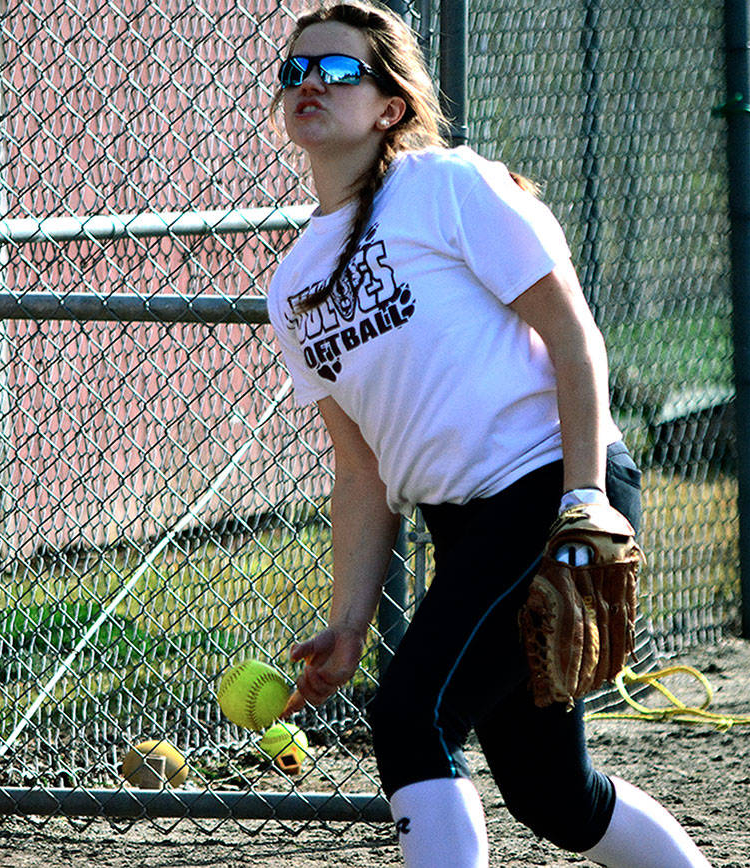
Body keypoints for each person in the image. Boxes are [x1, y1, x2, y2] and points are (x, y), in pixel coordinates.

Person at [264, 3, 712, 866]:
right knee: (552, 794)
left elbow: (573, 335)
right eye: (295, 70)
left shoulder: (446, 186)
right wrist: (349, 624)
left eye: (339, 69)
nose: (309, 82)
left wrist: (586, 499)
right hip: (463, 524)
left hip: (551, 486)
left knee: (412, 716)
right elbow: (359, 473)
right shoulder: (294, 284)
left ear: (390, 105)